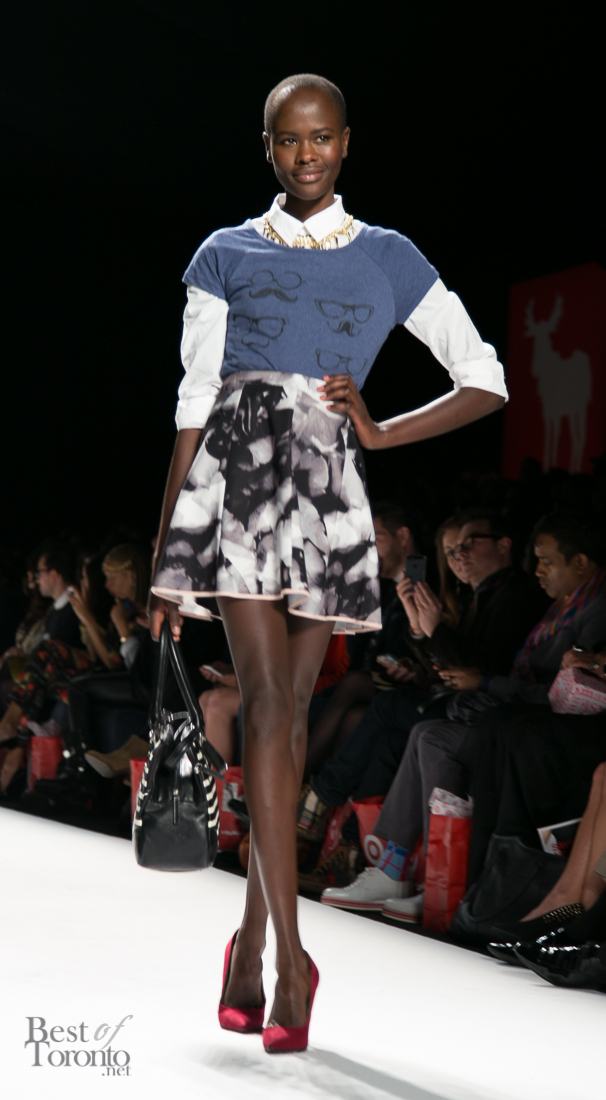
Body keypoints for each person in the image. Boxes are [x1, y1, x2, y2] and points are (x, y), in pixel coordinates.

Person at [147, 73, 507, 1051]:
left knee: (292, 715)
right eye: (287, 139)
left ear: (346, 143)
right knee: (268, 706)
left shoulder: (390, 257)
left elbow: (485, 379)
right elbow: (193, 401)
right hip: (235, 480)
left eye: (321, 138)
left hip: (326, 487)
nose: (305, 154)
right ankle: (288, 962)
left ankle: (257, 937)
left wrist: (381, 433)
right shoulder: (223, 252)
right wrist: (170, 549)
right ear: (267, 147)